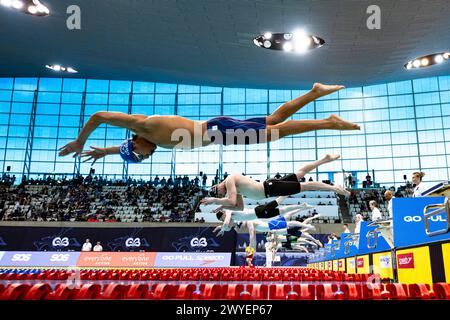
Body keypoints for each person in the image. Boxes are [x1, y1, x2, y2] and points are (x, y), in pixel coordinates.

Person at [58, 83, 360, 163]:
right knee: (275, 119)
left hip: (221, 131)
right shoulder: (149, 138)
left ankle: (328, 123)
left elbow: (97, 115)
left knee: (274, 132)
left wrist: (80, 142)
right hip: (220, 128)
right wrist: (107, 152)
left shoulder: (144, 127)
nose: (147, 155)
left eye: (140, 154)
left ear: (135, 141)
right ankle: (315, 91)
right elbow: (126, 148)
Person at [202, 154, 349, 210]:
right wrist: (223, 207)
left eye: (220, 194)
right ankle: (324, 159)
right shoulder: (233, 187)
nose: (222, 196)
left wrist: (216, 201)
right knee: (299, 174)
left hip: (270, 188)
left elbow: (231, 200)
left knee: (305, 186)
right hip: (270, 186)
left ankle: (334, 188)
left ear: (217, 188)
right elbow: (239, 207)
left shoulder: (229, 181)